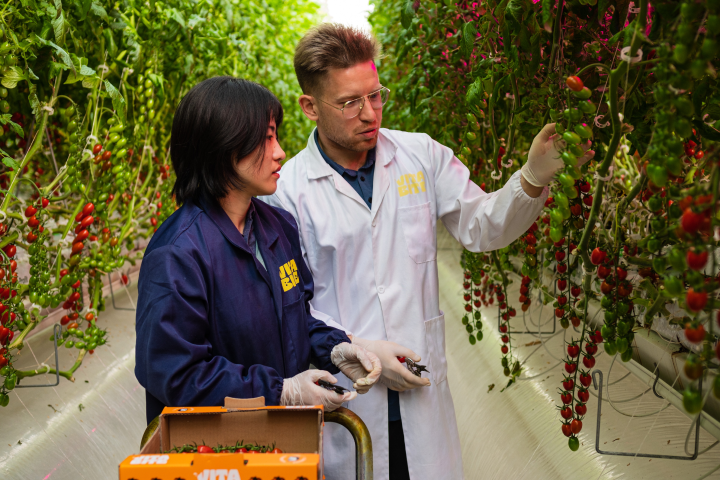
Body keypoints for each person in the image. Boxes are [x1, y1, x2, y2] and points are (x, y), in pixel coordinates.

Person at [262, 24, 594, 480]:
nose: (369, 113)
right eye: (350, 102)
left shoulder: (420, 155)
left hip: (420, 393)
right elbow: (289, 308)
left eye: (375, 95)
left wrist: (532, 177)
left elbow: (482, 227)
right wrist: (358, 349)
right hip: (345, 393)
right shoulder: (288, 192)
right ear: (310, 107)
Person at [134, 76, 382, 424]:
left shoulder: (278, 228)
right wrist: (278, 390)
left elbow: (296, 318)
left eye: (275, 136)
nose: (280, 151)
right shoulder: (178, 254)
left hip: (281, 440)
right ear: (223, 146)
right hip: (213, 455)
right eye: (266, 138)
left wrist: (334, 348)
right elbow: (175, 373)